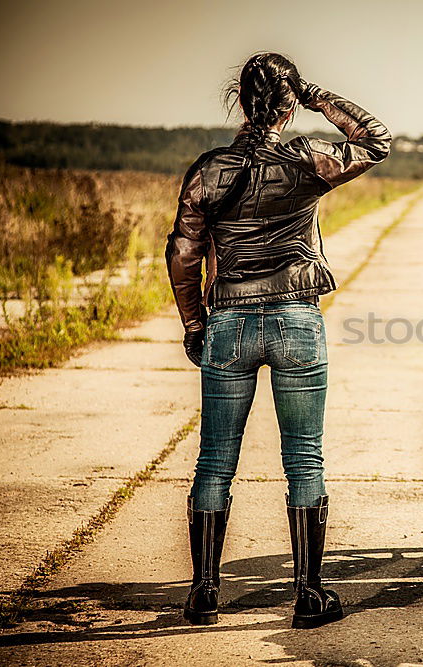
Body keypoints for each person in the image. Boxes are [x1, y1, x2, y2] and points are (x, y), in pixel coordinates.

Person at [165, 52, 390, 628]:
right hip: (295, 319)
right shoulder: (306, 162)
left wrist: (194, 324)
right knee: (304, 459)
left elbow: (184, 253)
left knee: (214, 461)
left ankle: (204, 591)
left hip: (228, 324)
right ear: (287, 105)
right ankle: (310, 595)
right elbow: (376, 140)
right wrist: (314, 95)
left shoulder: (208, 170)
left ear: (240, 102)